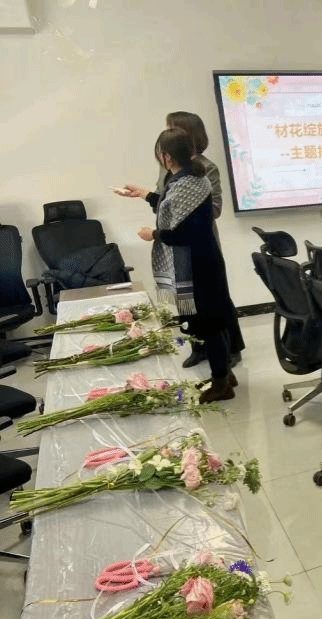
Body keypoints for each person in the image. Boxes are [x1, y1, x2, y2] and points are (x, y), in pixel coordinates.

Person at [117, 111, 245, 369]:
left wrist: (156, 233)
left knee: (213, 305)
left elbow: (207, 210)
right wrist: (144, 194)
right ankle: (200, 347)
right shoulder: (172, 170)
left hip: (196, 245)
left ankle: (227, 353)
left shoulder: (202, 171)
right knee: (189, 303)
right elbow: (167, 200)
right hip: (177, 247)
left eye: (172, 130)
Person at [136, 128, 237, 403]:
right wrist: (145, 194)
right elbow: (171, 208)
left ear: (167, 156)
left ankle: (221, 383)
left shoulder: (186, 185)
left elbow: (183, 233)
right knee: (215, 320)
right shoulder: (191, 178)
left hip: (198, 264)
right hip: (204, 260)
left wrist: (154, 234)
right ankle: (225, 374)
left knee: (211, 324)